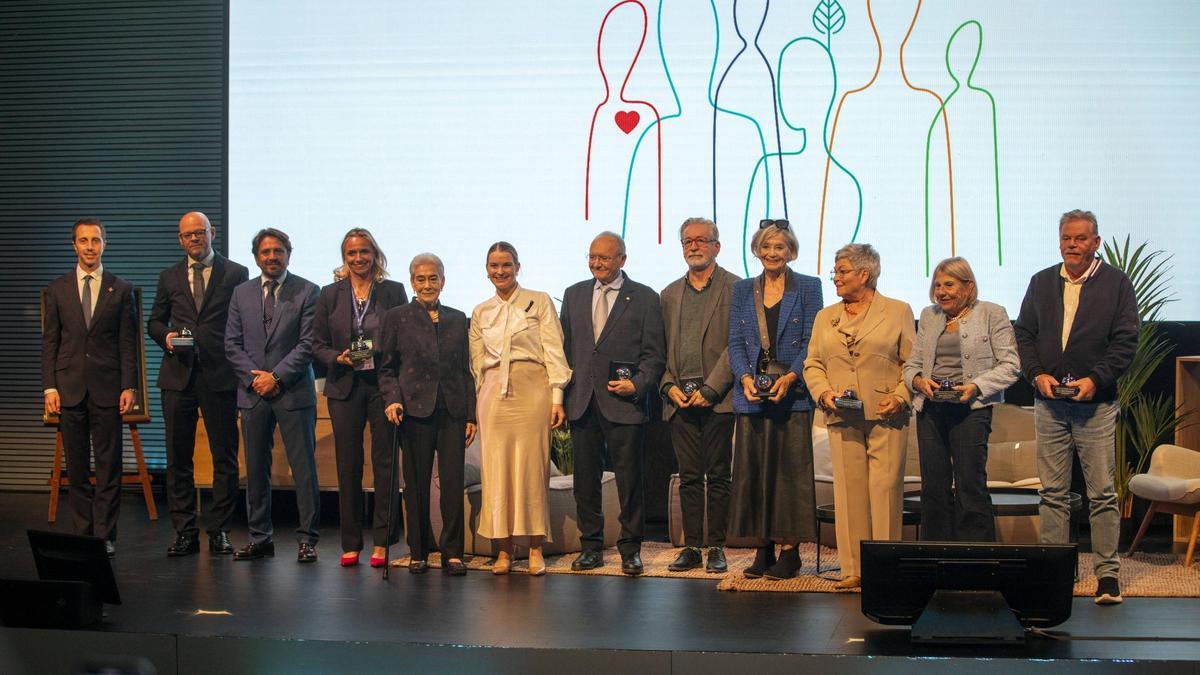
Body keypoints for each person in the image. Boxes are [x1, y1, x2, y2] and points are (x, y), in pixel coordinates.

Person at [1014, 209, 1138, 606]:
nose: (1072, 245)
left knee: (1102, 493)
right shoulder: (1041, 281)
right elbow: (1024, 334)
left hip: (1096, 406)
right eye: (1066, 238)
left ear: (1096, 242)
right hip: (1049, 404)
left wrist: (1095, 379)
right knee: (1052, 493)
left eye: (1080, 239)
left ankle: (1107, 576)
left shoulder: (1116, 284)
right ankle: (1055, 571)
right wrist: (1036, 375)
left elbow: (1125, 342)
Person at [803, 243, 915, 590]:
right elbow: (813, 363)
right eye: (835, 271)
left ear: (864, 274)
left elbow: (912, 363)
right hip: (842, 415)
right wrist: (823, 393)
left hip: (886, 415)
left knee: (884, 492)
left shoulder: (897, 311)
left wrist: (901, 396)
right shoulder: (826, 316)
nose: (835, 277)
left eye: (842, 270)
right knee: (849, 495)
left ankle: (885, 568)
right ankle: (853, 570)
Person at [560, 232, 666, 576]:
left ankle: (631, 548)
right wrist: (560, 398)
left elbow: (654, 356)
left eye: (604, 258)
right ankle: (590, 546)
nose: (596, 264)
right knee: (585, 480)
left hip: (625, 403)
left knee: (630, 480)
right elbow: (565, 352)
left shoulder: (646, 298)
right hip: (582, 401)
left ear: (622, 258)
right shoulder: (574, 295)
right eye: (592, 257)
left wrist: (636, 383)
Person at [149, 211, 249, 558]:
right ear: (180, 239)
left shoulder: (236, 273)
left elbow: (242, 322)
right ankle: (184, 531)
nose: (194, 239)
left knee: (224, 457)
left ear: (213, 233)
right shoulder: (169, 276)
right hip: (178, 376)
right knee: (178, 458)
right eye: (188, 235)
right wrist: (167, 337)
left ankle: (219, 530)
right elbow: (154, 322)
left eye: (200, 233)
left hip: (220, 375)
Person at [727, 220, 822, 579]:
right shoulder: (741, 290)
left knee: (790, 475)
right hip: (752, 395)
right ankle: (762, 548)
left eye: (779, 247)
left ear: (791, 251)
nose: (771, 253)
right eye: (765, 247)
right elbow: (735, 342)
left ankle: (791, 551)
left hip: (792, 395)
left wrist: (790, 378)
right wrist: (746, 378)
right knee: (753, 473)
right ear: (756, 250)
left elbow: (814, 340)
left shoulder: (810, 287)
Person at [469, 242, 570, 576]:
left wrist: (557, 397)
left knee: (531, 470)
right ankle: (503, 550)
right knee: (496, 471)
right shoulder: (481, 311)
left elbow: (554, 349)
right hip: (493, 396)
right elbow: (476, 366)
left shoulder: (538, 301)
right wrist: (476, 405)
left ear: (517, 266)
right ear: (487, 269)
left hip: (532, 390)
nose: (501, 271)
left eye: (507, 265)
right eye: (495, 265)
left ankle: (535, 548)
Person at [903, 256, 1019, 542]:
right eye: (937, 285)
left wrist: (976, 387)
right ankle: (936, 554)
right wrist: (918, 381)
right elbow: (911, 364)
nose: (941, 291)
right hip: (931, 409)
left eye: (949, 284)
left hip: (970, 409)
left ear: (968, 286)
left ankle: (976, 557)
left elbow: (1011, 365)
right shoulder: (929, 316)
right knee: (933, 487)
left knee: (970, 484)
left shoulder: (992, 313)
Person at [41, 218, 138, 558]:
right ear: (74, 245)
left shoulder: (120, 289)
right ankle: (83, 535)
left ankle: (104, 536)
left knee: (109, 467)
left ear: (104, 244)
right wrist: (48, 387)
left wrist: (130, 386)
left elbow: (128, 344)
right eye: (83, 241)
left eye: (95, 240)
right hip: (68, 389)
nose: (90, 247)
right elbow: (50, 342)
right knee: (78, 469)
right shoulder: (57, 289)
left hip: (108, 388)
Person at [312, 228, 408, 568]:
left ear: (375, 254)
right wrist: (335, 358)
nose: (358, 258)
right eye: (352, 253)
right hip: (344, 386)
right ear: (344, 257)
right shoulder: (329, 294)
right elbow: (316, 342)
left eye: (364, 252)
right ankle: (350, 542)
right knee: (348, 465)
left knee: (385, 465)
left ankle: (382, 542)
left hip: (383, 385)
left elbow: (403, 337)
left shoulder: (393, 291)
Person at [225, 228, 321, 563]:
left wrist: (276, 376)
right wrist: (257, 380)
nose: (272, 257)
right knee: (255, 469)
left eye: (278, 251)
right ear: (256, 256)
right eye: (265, 252)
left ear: (288, 254)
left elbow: (308, 344)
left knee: (304, 469)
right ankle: (259, 537)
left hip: (293, 391)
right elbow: (231, 345)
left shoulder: (309, 290)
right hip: (253, 394)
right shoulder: (241, 293)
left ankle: (307, 539)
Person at [381, 253, 476, 576]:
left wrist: (471, 416)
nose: (427, 284)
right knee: (416, 485)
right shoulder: (397, 317)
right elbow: (387, 367)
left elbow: (466, 371)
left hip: (451, 411)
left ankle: (453, 553)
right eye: (420, 279)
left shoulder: (457, 317)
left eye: (432, 278)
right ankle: (418, 551)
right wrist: (392, 400)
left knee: (452, 484)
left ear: (443, 281)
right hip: (414, 411)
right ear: (412, 282)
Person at [661, 217, 740, 574]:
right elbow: (658, 349)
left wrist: (711, 389)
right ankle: (692, 546)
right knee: (689, 476)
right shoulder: (668, 294)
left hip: (718, 398)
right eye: (687, 241)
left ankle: (717, 547)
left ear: (716, 247)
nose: (694, 246)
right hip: (679, 400)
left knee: (719, 475)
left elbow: (736, 346)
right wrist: (667, 386)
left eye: (701, 240)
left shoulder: (736, 288)